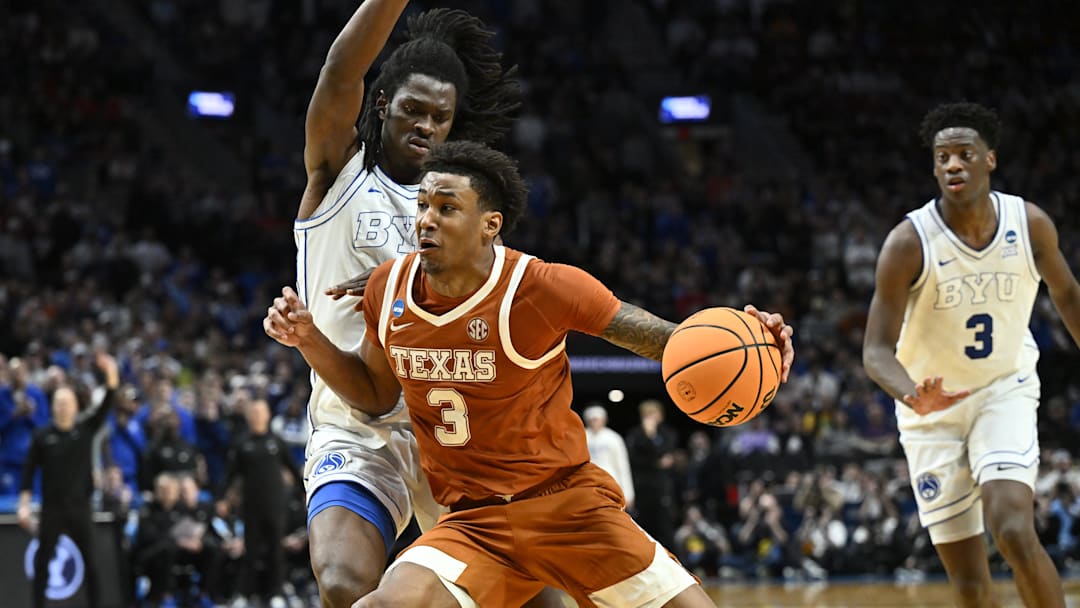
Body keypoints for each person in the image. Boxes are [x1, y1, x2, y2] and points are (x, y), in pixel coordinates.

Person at [265, 140, 795, 607]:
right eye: (423, 204)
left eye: (446, 208)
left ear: (489, 226)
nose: (425, 218)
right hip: (474, 524)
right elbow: (377, 397)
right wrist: (310, 341)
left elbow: (665, 339)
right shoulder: (387, 288)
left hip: (569, 508)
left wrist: (752, 341)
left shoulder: (542, 287)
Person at [293, 2, 524, 605]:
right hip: (359, 423)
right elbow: (340, 71)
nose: (424, 125)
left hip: (449, 428)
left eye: (439, 118)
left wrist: (391, 281)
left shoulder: (462, 213)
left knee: (534, 598)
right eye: (411, 110)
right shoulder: (339, 172)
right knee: (344, 582)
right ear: (382, 105)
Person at [863, 101, 1078, 608]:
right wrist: (913, 396)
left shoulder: (1030, 224)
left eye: (964, 154)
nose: (952, 165)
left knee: (1013, 530)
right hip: (931, 414)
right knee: (970, 586)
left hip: (1002, 388)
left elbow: (1067, 295)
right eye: (942, 157)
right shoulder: (907, 243)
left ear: (990, 160)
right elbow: (874, 350)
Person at [17, 351, 120, 608]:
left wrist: (112, 373)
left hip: (80, 507)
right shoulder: (42, 436)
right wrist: (24, 504)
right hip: (52, 508)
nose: (63, 406)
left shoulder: (85, 430)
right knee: (42, 563)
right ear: (53, 407)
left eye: (67, 401)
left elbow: (108, 401)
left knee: (92, 563)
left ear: (75, 406)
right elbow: (29, 471)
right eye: (59, 402)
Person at [220, 398, 303, 606]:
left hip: (275, 506)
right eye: (253, 413)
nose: (257, 417)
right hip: (250, 506)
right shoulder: (242, 444)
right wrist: (222, 499)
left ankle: (275, 593)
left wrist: (304, 492)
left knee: (276, 550)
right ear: (248, 417)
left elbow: (293, 468)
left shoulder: (277, 442)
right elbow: (229, 475)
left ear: (267, 416)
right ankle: (245, 593)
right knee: (251, 551)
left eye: (260, 413)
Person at [582, 404, 635, 510]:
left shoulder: (613, 438)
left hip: (610, 483)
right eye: (592, 420)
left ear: (604, 420)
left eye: (597, 419)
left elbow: (622, 466)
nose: (595, 422)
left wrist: (628, 493)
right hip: (585, 484)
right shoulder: (581, 436)